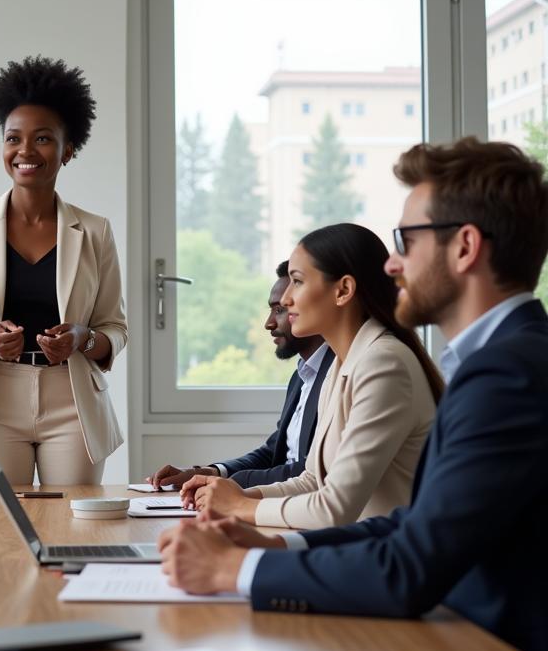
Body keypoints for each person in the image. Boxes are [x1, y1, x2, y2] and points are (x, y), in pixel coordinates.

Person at [159, 138, 548, 651]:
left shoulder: (506, 374)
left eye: (406, 242)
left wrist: (232, 570)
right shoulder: (503, 361)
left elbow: (410, 567)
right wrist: (276, 547)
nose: (391, 265)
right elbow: (414, 523)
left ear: (465, 247)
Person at [0, 55, 127, 486]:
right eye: (12, 138)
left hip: (71, 399)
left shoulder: (95, 231)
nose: (25, 151)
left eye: (42, 139)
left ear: (68, 149)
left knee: (74, 525)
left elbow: (114, 327)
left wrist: (82, 338)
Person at [179, 222, 442, 529]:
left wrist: (239, 506)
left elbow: (333, 509)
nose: (287, 299)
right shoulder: (343, 363)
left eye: (298, 282)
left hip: (385, 560)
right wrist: (237, 497)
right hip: (351, 547)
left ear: (343, 290)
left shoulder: (384, 363)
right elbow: (313, 481)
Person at [148, 261, 333, 491]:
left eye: (280, 310)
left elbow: (311, 470)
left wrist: (222, 484)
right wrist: (207, 472)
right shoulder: (301, 376)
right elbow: (274, 452)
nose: (269, 323)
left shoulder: (336, 373)